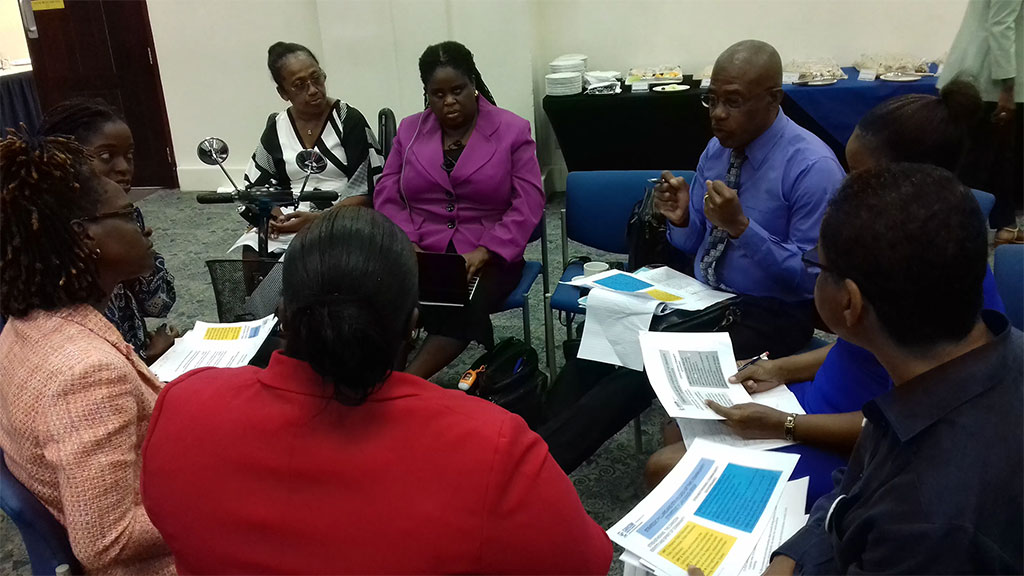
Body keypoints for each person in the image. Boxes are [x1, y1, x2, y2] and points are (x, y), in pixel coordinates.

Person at [139, 207, 611, 574]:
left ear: (281, 313)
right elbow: (583, 564)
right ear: (412, 324)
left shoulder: (181, 406)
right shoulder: (493, 447)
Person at [646, 80, 1007, 506]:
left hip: (858, 438)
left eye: (860, 175)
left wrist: (786, 425)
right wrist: (782, 369)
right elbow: (861, 351)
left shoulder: (943, 273)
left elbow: (916, 421)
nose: (846, 186)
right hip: (823, 405)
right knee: (682, 425)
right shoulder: (895, 243)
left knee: (666, 465)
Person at [767, 164, 1022, 574]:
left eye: (817, 264)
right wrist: (791, 558)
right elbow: (852, 492)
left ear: (848, 303)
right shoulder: (967, 363)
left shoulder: (926, 517)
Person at [0, 130, 174, 574]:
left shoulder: (26, 326)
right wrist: (222, 498)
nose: (146, 228)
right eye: (129, 215)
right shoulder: (85, 373)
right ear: (84, 238)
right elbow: (108, 541)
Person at [653, 39, 846, 360]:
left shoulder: (813, 168)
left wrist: (741, 228)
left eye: (733, 101)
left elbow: (811, 282)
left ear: (774, 100)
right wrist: (683, 219)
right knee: (612, 328)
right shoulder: (717, 150)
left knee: (655, 351)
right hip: (706, 296)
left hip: (772, 312)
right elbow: (693, 245)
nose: (717, 114)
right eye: (711, 100)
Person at [374, 41, 544, 379]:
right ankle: (385, 378)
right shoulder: (408, 131)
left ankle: (406, 385)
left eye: (457, 90)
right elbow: (386, 192)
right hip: (422, 249)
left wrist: (486, 250)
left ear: (473, 84)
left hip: (490, 254)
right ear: (426, 94)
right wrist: (408, 243)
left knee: (460, 303)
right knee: (386, 297)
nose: (449, 101)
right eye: (438, 94)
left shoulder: (512, 130)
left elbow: (529, 201)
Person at [39, 99, 178, 363]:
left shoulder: (126, 214)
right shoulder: (49, 241)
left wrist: (141, 256)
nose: (124, 168)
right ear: (65, 160)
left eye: (129, 155)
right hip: (107, 366)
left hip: (132, 350)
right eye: (106, 156)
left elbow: (159, 303)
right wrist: (143, 358)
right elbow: (78, 345)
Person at [245, 41, 383, 236]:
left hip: (343, 218)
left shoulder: (347, 120)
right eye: (299, 85)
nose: (313, 90)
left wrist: (320, 219)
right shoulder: (277, 127)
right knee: (254, 252)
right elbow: (256, 187)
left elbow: (368, 190)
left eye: (316, 78)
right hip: (288, 218)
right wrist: (274, 218)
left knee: (316, 256)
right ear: (283, 93)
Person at [939, 0, 1023, 245]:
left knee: (999, 157)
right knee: (975, 162)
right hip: (990, 82)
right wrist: (1007, 86)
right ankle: (949, 231)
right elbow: (1000, 25)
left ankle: (1006, 224)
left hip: (985, 78)